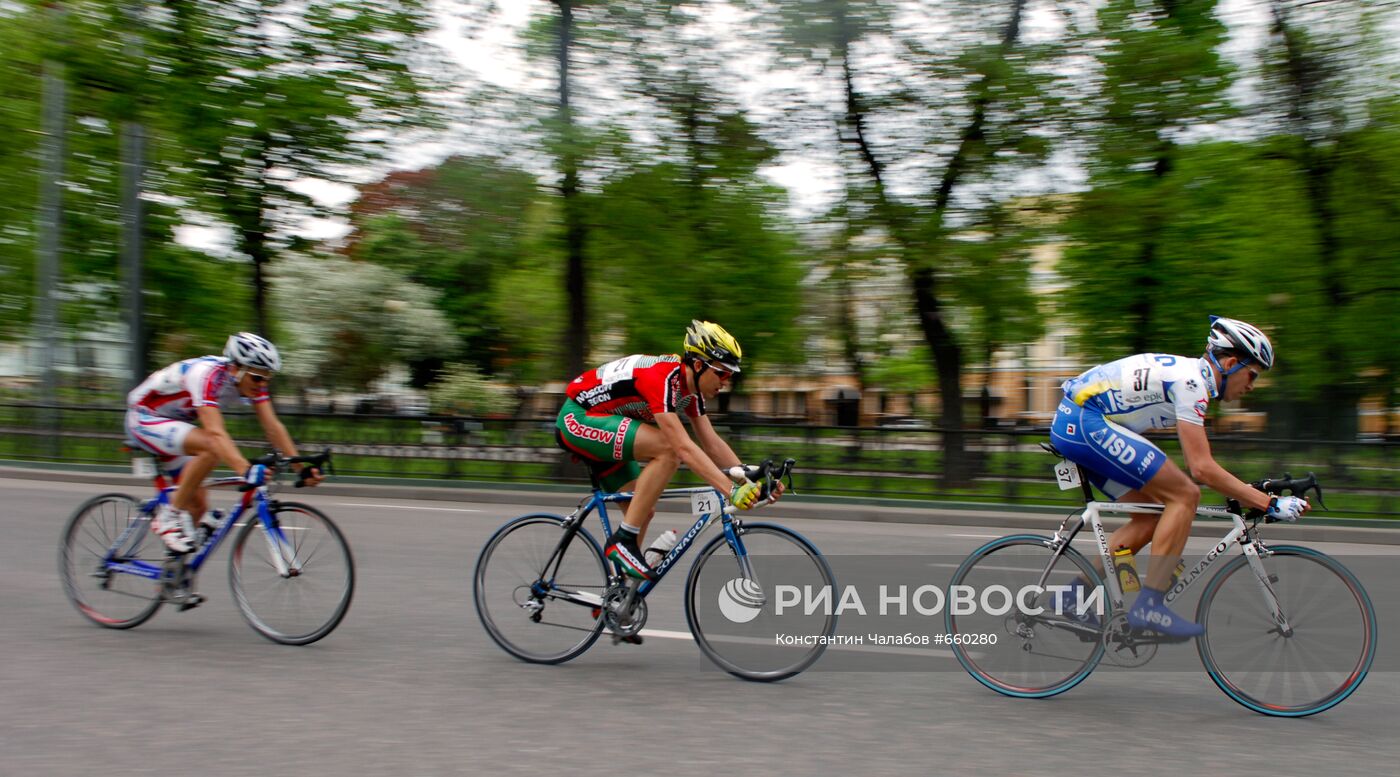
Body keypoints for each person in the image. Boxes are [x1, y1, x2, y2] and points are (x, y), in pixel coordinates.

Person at [1049, 316, 1308, 638]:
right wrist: (1267, 503)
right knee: (1185, 495)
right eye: (1251, 374)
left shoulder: (1192, 380)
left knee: (1150, 517)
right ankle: (1149, 607)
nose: (1252, 385)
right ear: (1229, 363)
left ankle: (1072, 597)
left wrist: (1254, 493)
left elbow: (1203, 466)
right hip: (1085, 422)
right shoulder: (1192, 384)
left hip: (1081, 423)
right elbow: (1201, 468)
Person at [556, 320, 781, 581]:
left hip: (605, 425)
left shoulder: (691, 391)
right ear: (698, 365)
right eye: (721, 373)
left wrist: (749, 477)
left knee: (642, 509)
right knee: (668, 450)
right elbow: (683, 448)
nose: (725, 382)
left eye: (730, 375)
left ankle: (614, 595)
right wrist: (731, 490)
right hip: (578, 419)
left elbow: (710, 442)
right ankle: (623, 541)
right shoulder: (663, 377)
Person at [126, 332, 323, 553]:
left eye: (267, 378)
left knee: (198, 505)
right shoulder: (206, 376)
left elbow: (273, 426)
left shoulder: (251, 380)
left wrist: (300, 469)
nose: (262, 384)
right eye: (257, 378)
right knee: (211, 447)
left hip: (176, 425)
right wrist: (245, 470)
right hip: (144, 417)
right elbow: (216, 434)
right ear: (235, 368)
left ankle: (172, 579)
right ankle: (167, 517)